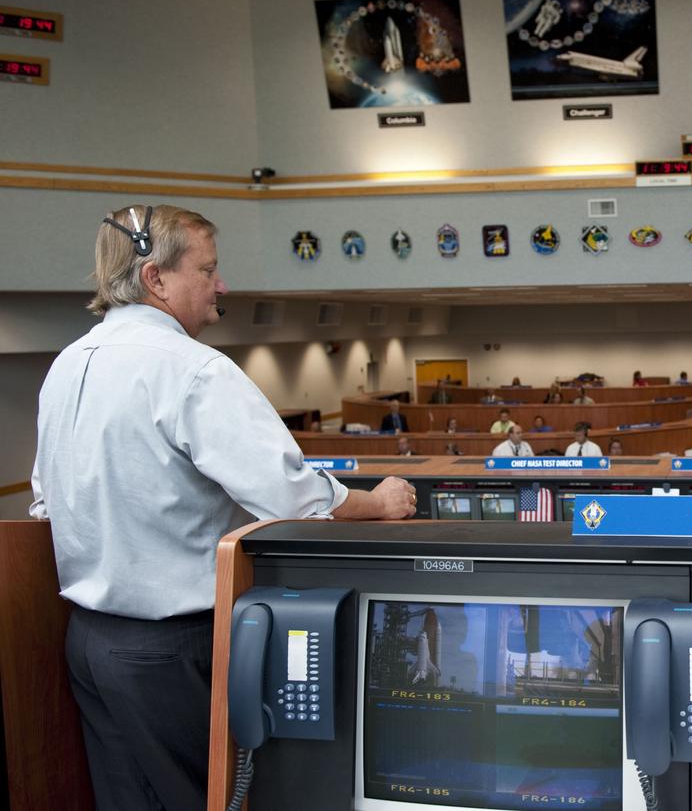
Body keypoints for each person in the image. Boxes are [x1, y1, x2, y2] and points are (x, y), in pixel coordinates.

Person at [29, 204, 416, 811]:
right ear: (156, 279)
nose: (222, 286)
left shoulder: (67, 364)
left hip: (88, 642)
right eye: (208, 270)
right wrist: (377, 502)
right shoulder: (193, 370)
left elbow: (45, 499)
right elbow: (291, 495)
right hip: (169, 650)